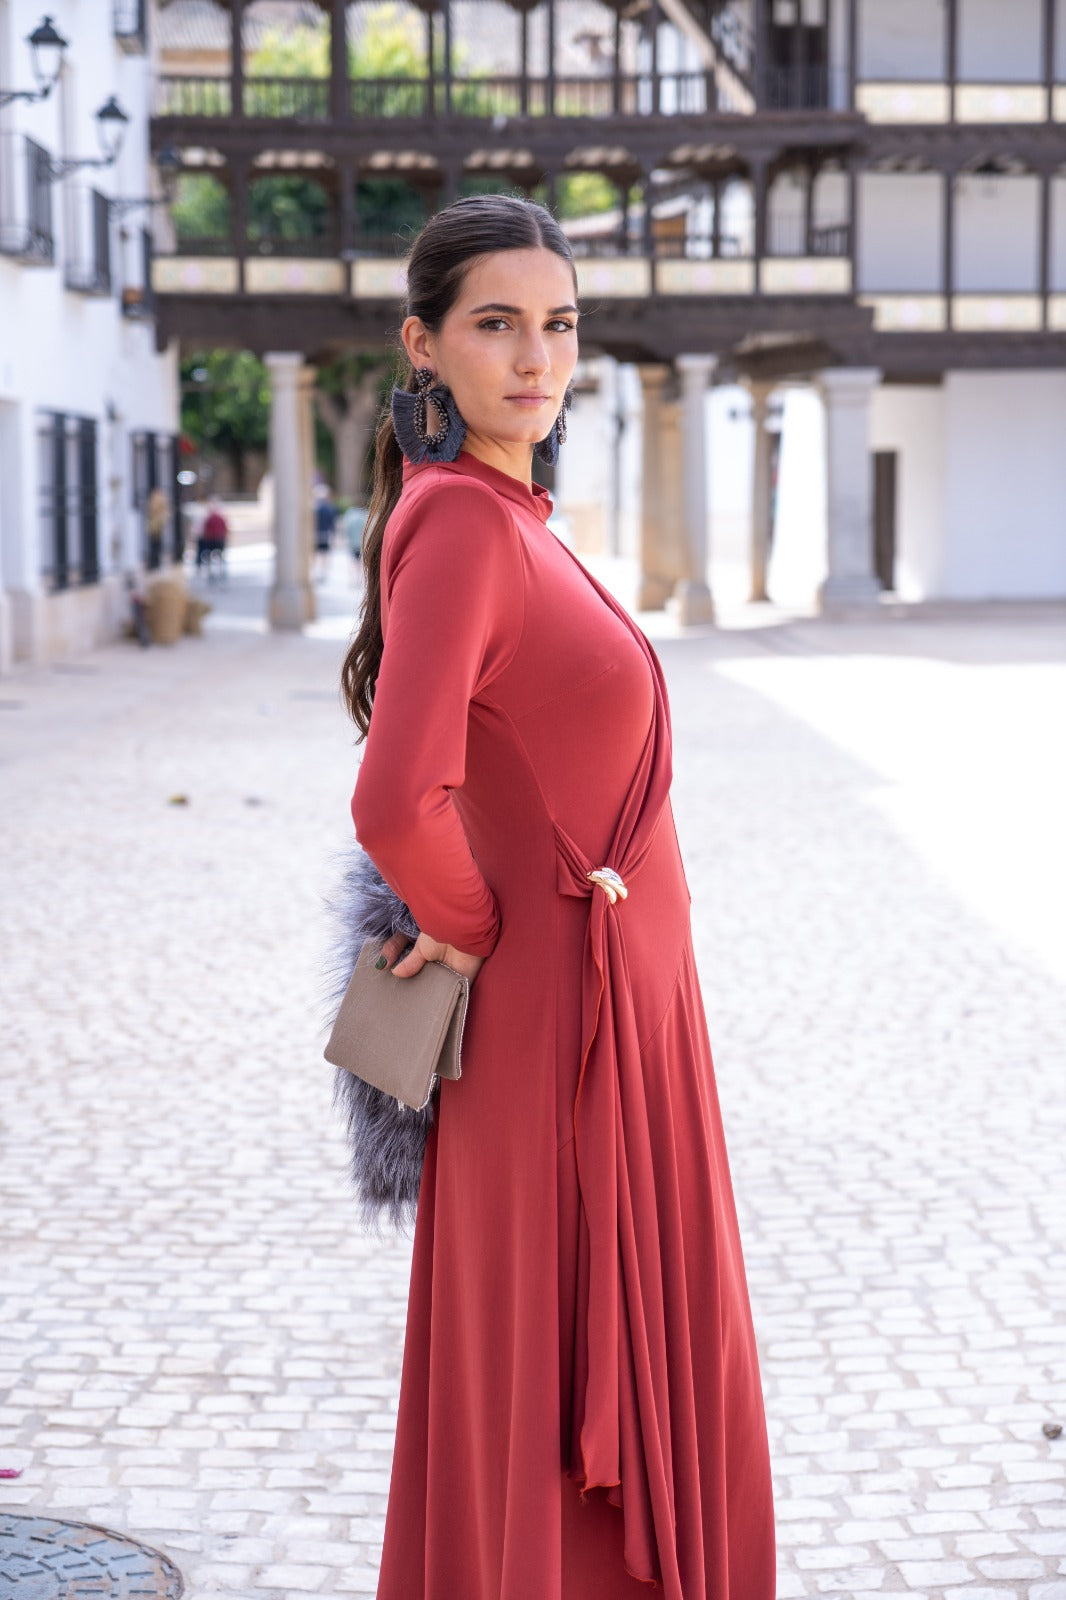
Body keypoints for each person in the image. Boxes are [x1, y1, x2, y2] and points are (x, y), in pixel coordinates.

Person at [343, 195, 775, 1600]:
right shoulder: (464, 526)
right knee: (555, 1354)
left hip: (625, 1015)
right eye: (496, 324)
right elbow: (394, 795)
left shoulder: (513, 517)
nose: (537, 357)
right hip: (561, 1029)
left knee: (592, 1345)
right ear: (423, 345)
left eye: (559, 324)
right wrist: (474, 929)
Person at [198, 498, 228, 582]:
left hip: (212, 540)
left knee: (211, 557)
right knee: (219, 557)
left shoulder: (211, 518)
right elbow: (225, 530)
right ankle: (219, 573)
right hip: (218, 540)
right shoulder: (219, 518)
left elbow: (206, 531)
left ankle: (213, 573)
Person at [314, 486, 337, 581]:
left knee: (316, 553)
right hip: (325, 534)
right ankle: (323, 572)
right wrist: (334, 536)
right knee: (324, 553)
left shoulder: (315, 508)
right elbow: (332, 523)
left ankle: (316, 571)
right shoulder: (330, 508)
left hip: (316, 534)